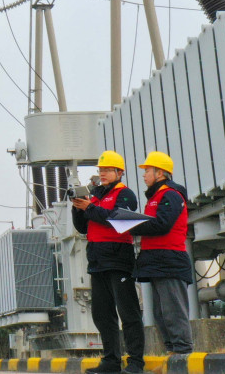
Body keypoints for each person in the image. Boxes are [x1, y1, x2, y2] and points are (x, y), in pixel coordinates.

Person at [72, 151, 145, 374]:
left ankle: (135, 363)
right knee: (102, 314)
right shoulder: (95, 196)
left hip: (118, 258)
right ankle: (111, 360)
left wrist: (90, 208)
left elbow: (118, 219)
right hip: (98, 260)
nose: (102, 173)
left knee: (128, 312)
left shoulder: (126, 195)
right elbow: (84, 227)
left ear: (119, 172)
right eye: (101, 170)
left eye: (107, 170)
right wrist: (78, 209)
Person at [129, 151, 195, 354]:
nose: (144, 174)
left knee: (173, 310)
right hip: (157, 260)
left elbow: (162, 224)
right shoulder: (156, 196)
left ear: (160, 173)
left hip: (169, 259)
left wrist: (132, 225)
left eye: (147, 170)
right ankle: (172, 350)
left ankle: (182, 351)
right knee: (160, 312)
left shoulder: (171, 195)